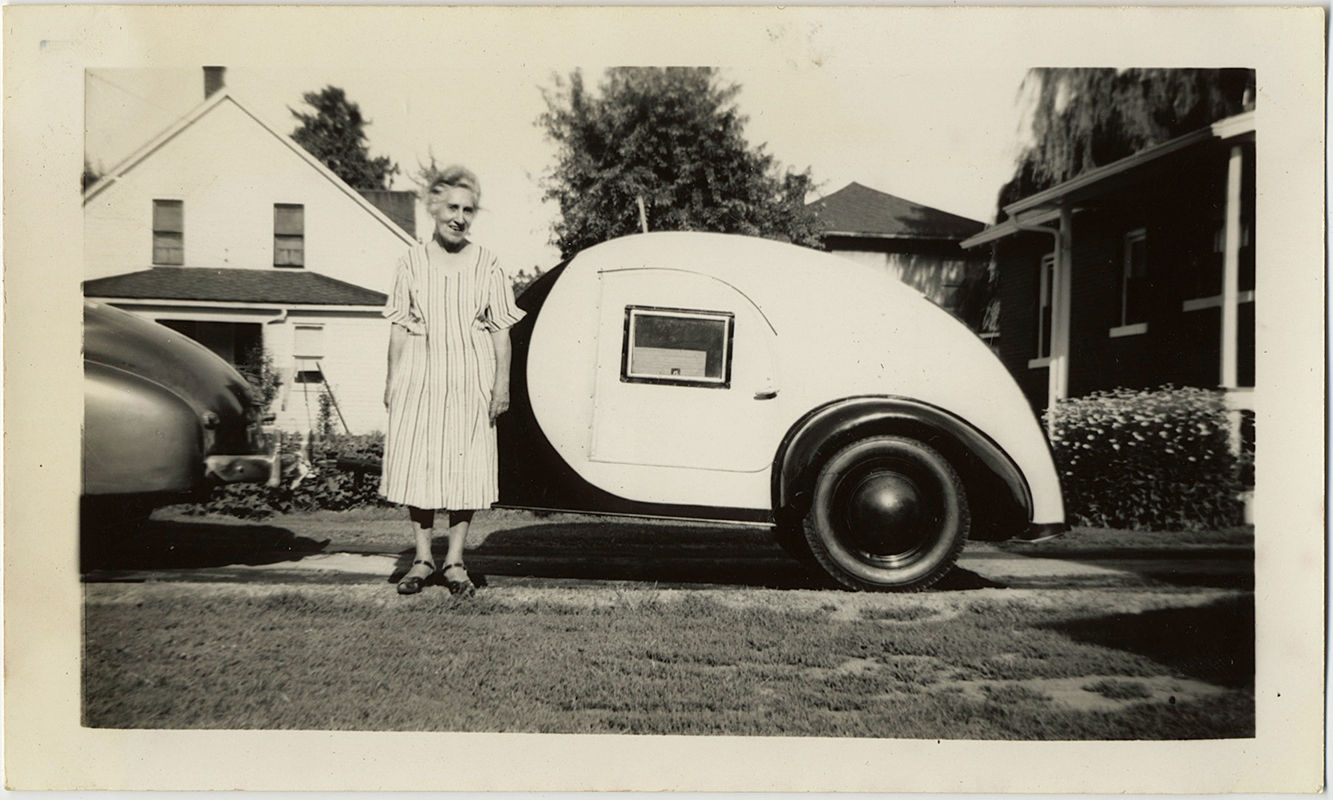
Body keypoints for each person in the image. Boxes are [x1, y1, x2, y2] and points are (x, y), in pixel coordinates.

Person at [379, 165, 525, 596]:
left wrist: (502, 385)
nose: (460, 217)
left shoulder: (488, 263)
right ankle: (422, 560)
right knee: (420, 466)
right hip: (420, 377)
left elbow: (501, 330)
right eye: (452, 208)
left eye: (468, 209)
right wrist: (391, 381)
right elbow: (399, 326)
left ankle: (456, 562)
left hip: (470, 379)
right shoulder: (410, 261)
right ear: (433, 208)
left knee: (467, 468)